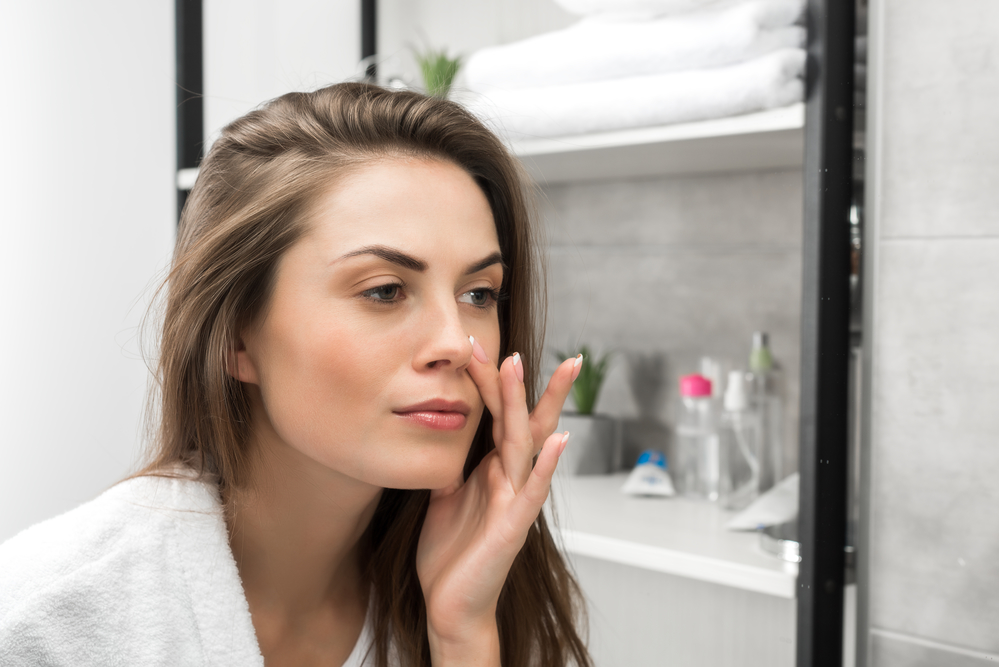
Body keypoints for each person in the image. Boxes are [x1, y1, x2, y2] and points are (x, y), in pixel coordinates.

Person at [0, 83, 595, 666]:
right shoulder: (46, 623)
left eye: (479, 293)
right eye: (385, 290)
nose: (455, 344)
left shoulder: (494, 593)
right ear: (235, 335)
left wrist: (463, 637)